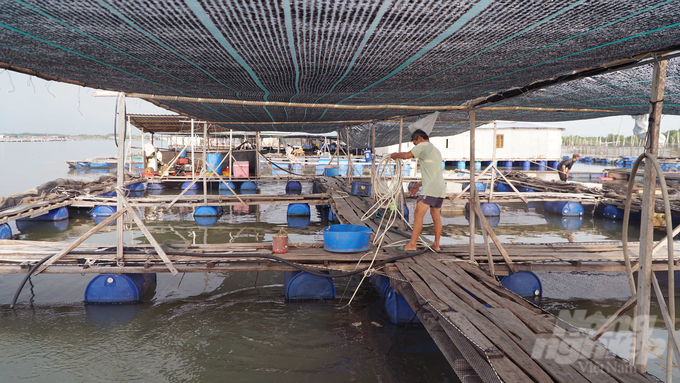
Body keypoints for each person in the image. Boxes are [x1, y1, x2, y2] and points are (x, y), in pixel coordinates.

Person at [391, 129, 446, 252]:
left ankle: (412, 244)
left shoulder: (423, 145)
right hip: (440, 188)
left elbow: (407, 156)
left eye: (415, 143)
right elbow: (434, 173)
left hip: (431, 189)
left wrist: (395, 155)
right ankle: (436, 245)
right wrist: (418, 184)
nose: (416, 146)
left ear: (420, 139)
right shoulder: (435, 150)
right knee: (436, 216)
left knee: (417, 214)